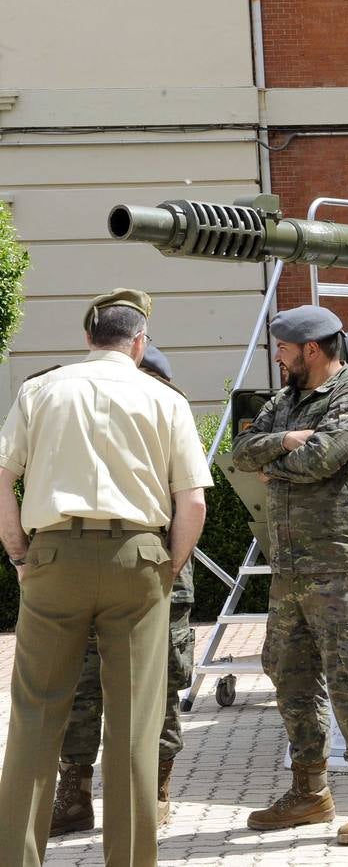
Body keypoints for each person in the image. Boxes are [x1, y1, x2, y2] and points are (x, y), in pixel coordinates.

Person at [0, 289, 211, 866]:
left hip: (53, 557)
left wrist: (20, 553)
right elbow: (191, 500)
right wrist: (167, 564)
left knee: (35, 719)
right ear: (139, 342)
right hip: (138, 558)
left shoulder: (40, 389)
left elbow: (2, 475)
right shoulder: (163, 398)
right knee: (135, 725)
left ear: (88, 338)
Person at [231, 305, 348, 846]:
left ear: (310, 348)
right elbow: (240, 449)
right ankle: (310, 792)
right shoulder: (287, 402)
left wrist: (281, 458)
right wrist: (286, 440)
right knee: (290, 676)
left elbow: (323, 459)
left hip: (344, 564)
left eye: (282, 348)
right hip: (290, 567)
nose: (277, 357)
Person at [50, 345, 196, 837]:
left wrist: (171, 567)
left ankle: (154, 789)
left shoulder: (169, 413)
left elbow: (190, 499)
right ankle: (74, 794)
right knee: (79, 684)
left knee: (159, 687)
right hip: (98, 569)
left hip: (158, 571)